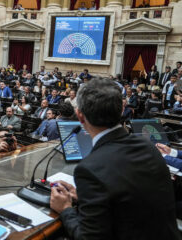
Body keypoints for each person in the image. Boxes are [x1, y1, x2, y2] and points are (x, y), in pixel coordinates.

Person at [49, 78, 180, 240]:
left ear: (80, 117)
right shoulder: (149, 148)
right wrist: (87, 198)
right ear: (121, 110)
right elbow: (129, 201)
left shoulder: (90, 169)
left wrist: (66, 209)